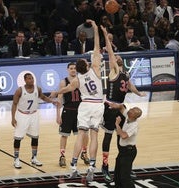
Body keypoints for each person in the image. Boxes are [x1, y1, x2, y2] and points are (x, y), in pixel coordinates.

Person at [54, 19, 103, 182]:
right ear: (86, 65)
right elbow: (97, 46)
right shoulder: (95, 68)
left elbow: (65, 90)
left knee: (80, 135)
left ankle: (73, 167)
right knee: (94, 136)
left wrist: (55, 92)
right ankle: (91, 167)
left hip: (85, 105)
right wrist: (95, 29)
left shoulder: (77, 80)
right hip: (97, 105)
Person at [100, 26, 146, 182]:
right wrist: (106, 35)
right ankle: (104, 167)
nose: (117, 57)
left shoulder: (125, 73)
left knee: (124, 138)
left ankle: (124, 166)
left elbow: (130, 84)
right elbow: (111, 53)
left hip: (121, 107)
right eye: (115, 56)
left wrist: (139, 93)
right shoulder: (114, 71)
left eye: (119, 56)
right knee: (108, 137)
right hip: (110, 107)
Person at [11, 73, 58, 169]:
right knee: (18, 138)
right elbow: (14, 104)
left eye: (32, 78)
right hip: (22, 115)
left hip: (34, 114)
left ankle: (34, 157)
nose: (31, 80)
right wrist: (12, 118)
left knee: (35, 137)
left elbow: (43, 97)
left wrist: (52, 101)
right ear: (25, 80)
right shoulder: (19, 90)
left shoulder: (38, 89)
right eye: (29, 79)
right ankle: (16, 159)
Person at [56, 62, 89, 168]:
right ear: (67, 70)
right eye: (71, 68)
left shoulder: (81, 80)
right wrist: (57, 114)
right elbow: (59, 98)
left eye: (75, 68)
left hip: (81, 111)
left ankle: (84, 153)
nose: (73, 70)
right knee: (64, 135)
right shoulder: (63, 82)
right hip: (68, 110)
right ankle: (62, 156)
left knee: (84, 134)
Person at [109, 102, 142, 188]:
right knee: (117, 175)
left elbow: (123, 135)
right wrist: (116, 105)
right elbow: (122, 108)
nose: (130, 110)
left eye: (133, 111)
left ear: (134, 116)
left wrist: (117, 124)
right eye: (132, 108)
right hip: (123, 152)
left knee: (125, 177)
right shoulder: (128, 116)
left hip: (129, 152)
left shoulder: (134, 125)